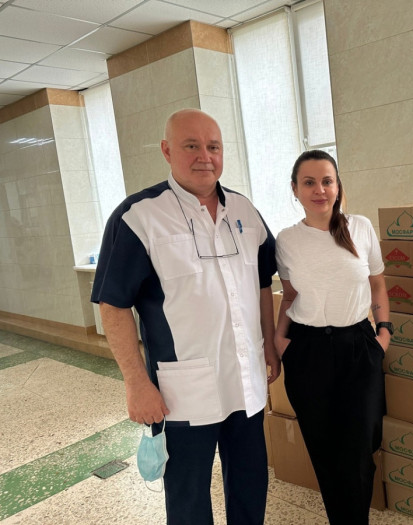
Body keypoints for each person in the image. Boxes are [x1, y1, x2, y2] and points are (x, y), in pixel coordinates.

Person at [91, 108, 279, 525]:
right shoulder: (138, 216)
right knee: (188, 496)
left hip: (245, 383)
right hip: (183, 393)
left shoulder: (245, 212)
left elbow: (263, 284)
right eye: (191, 146)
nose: (204, 157)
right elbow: (113, 305)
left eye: (213, 147)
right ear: (166, 150)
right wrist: (136, 384)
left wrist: (269, 346)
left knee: (250, 483)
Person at [274, 150, 391, 525]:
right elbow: (289, 295)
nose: (319, 190)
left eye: (327, 181)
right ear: (295, 189)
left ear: (338, 186)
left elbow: (377, 284)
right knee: (323, 449)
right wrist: (279, 341)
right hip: (307, 350)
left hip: (358, 346)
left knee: (360, 448)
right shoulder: (287, 240)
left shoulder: (360, 228)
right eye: (309, 182)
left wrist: (383, 332)